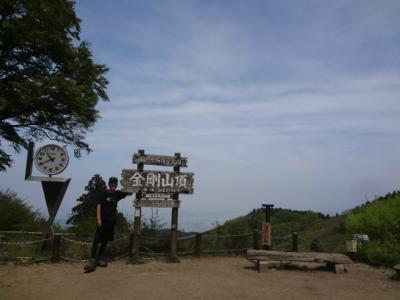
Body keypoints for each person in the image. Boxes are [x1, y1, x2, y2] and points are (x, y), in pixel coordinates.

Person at [84, 176, 132, 272]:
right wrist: (98, 218)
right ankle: (92, 259)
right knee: (96, 240)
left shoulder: (118, 194)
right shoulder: (104, 193)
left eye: (115, 183)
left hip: (111, 222)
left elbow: (130, 192)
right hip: (102, 221)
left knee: (105, 241)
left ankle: (99, 258)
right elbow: (99, 205)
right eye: (112, 183)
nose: (113, 185)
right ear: (109, 184)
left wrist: (128, 184)